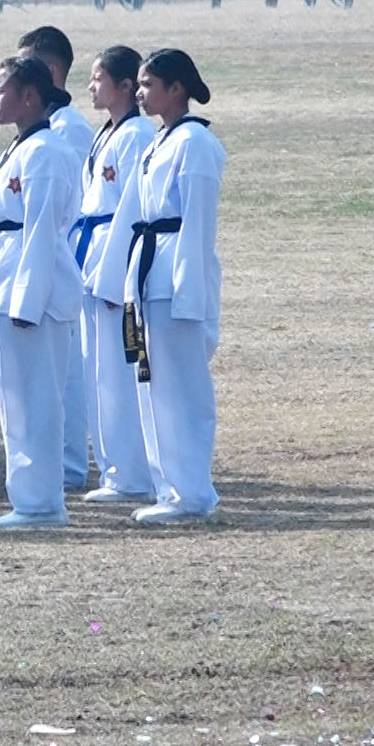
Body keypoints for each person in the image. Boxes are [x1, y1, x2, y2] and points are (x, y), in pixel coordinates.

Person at [118, 49, 226, 524]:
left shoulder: (194, 143)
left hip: (174, 275)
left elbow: (197, 226)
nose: (140, 94)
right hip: (149, 272)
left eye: (148, 85)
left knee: (182, 389)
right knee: (152, 385)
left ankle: (192, 492)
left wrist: (189, 295)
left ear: (176, 88)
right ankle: (169, 487)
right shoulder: (159, 140)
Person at [0, 57, 83, 530]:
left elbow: (41, 231)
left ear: (28, 96)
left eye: (2, 90)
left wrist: (28, 301)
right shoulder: (21, 147)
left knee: (38, 399)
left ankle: (42, 502)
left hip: (36, 290)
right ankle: (28, 498)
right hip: (7, 279)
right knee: (16, 397)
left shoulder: (46, 152)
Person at [72, 46, 160, 506]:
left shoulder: (137, 135)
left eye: (98, 79)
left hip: (115, 258)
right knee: (96, 370)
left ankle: (131, 472)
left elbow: (131, 210)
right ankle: (112, 468)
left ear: (125, 86)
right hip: (92, 254)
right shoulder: (104, 133)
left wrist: (114, 278)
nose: (90, 87)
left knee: (118, 372)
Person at [17, 25, 96, 490]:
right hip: (50, 253)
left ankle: (68, 464)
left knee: (65, 371)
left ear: (47, 72)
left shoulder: (66, 129)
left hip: (64, 255)